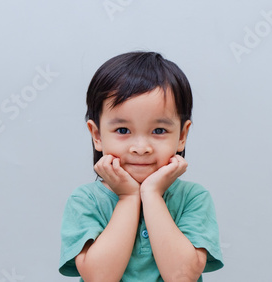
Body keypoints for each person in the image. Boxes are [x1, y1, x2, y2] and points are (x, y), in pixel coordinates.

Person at [59, 51, 223, 281]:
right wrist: (128, 197)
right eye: (123, 131)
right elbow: (99, 277)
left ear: (182, 136)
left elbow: (182, 276)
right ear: (97, 135)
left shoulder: (193, 198)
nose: (141, 147)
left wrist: (152, 194)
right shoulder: (86, 201)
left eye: (159, 131)